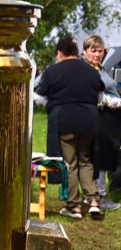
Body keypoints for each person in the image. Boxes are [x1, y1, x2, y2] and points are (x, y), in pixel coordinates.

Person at [35, 36, 104, 220]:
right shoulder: (91, 71)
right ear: (75, 52)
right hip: (89, 120)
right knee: (86, 160)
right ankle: (94, 203)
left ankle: (74, 207)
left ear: (59, 53)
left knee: (70, 163)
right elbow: (100, 97)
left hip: (66, 122)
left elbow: (39, 98)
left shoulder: (54, 70)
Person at [82, 35, 121, 211]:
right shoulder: (87, 70)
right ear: (85, 52)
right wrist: (117, 102)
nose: (97, 54)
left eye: (100, 51)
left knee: (102, 158)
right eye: (93, 50)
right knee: (97, 159)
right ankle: (97, 198)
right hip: (96, 119)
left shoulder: (100, 69)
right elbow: (94, 97)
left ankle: (97, 196)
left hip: (108, 122)